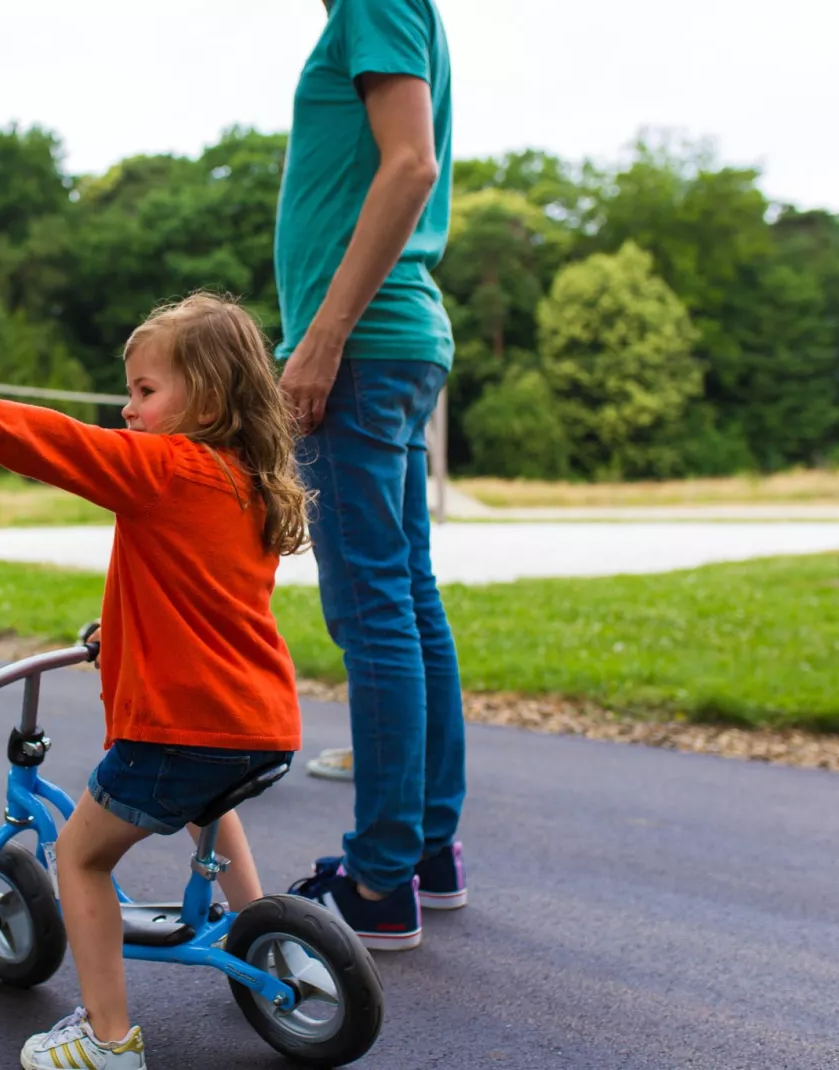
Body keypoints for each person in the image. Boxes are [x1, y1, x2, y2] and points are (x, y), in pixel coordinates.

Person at [0, 293, 309, 1070]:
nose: (127, 409)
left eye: (145, 391)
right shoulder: (249, 484)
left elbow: (60, 444)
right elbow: (207, 597)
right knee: (208, 810)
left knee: (78, 857)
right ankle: (264, 942)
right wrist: (124, 632)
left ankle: (109, 1039)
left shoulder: (164, 469)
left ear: (205, 396)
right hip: (260, 726)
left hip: (178, 728)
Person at [273, 0, 468, 951]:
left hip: (364, 349)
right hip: (393, 344)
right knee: (408, 600)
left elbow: (411, 163)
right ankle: (425, 852)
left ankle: (381, 882)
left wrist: (323, 336)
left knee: (374, 609)